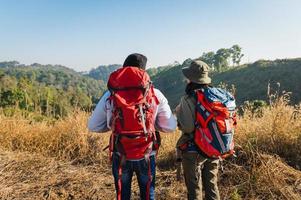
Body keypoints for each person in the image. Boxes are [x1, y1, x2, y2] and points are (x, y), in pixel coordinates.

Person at [88, 53, 177, 200]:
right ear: (143, 71)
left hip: (120, 152)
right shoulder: (155, 94)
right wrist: (149, 125)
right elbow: (170, 127)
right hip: (147, 154)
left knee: (123, 195)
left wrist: (114, 127)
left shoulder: (110, 95)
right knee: (148, 194)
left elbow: (93, 126)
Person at [176, 60, 236, 200]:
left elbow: (188, 127)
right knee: (212, 186)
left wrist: (179, 119)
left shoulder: (189, 98)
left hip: (193, 150)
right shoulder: (218, 95)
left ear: (191, 78)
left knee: (194, 190)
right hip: (214, 146)